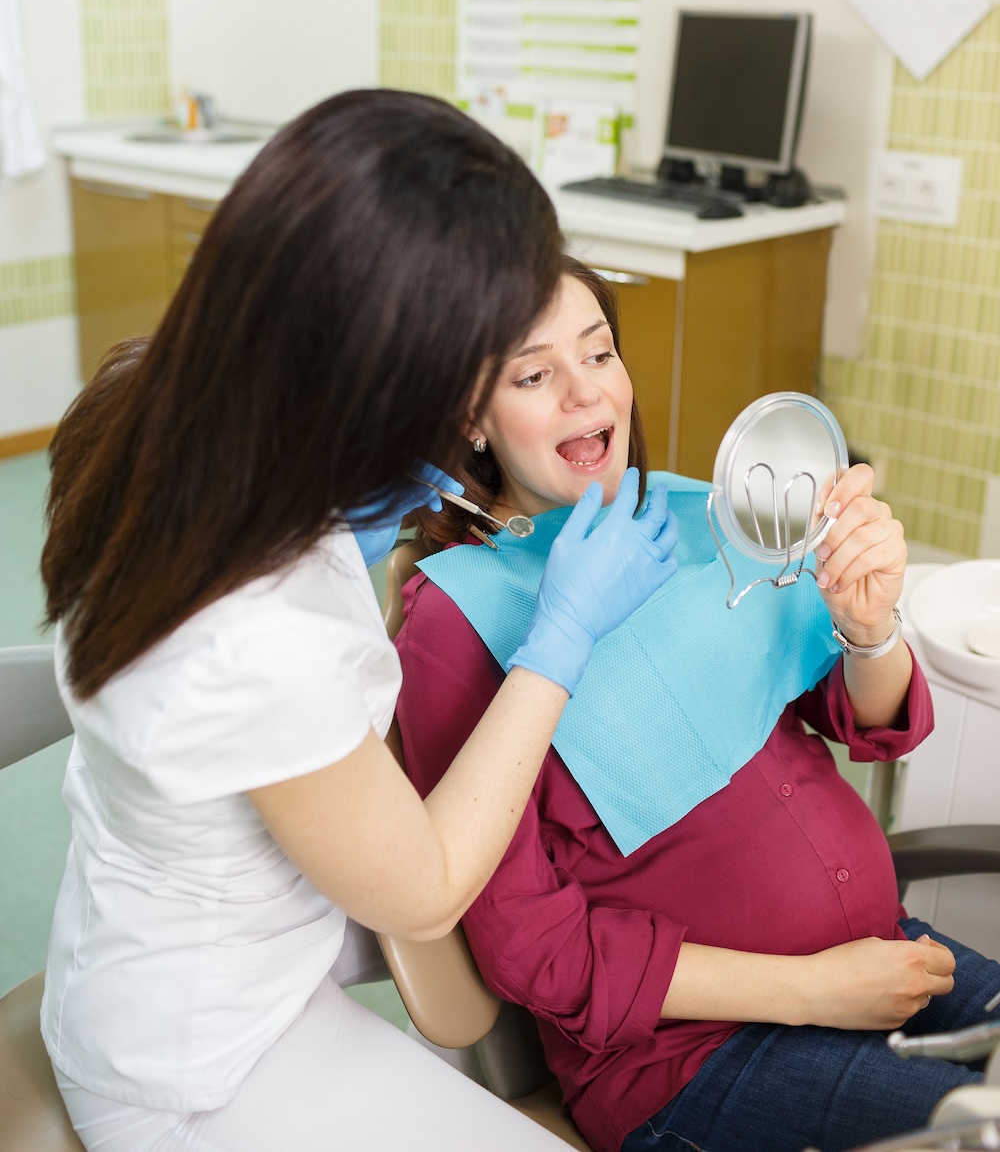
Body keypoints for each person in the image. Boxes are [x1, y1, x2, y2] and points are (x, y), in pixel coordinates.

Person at [38, 93, 679, 1152]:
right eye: (507, 372)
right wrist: (557, 638)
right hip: (201, 1061)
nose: (566, 390)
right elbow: (423, 892)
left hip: (226, 928)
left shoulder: (153, 403)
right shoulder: (251, 632)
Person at [395, 256, 1000, 1152]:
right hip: (691, 1062)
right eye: (533, 374)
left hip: (881, 958)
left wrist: (869, 628)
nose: (583, 392)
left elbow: (860, 717)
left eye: (599, 354)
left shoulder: (692, 513)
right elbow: (533, 949)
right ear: (470, 421)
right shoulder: (454, 623)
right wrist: (815, 993)